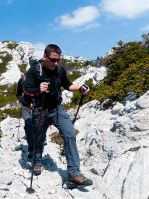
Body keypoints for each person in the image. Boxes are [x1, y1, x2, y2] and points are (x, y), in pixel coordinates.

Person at [24, 44, 93, 187]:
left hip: (57, 108)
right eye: (53, 60)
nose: (56, 63)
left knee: (70, 134)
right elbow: (26, 91)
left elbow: (68, 85)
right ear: (45, 57)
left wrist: (80, 88)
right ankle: (37, 162)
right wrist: (38, 89)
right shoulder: (34, 71)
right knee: (39, 137)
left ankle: (74, 174)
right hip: (40, 109)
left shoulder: (59, 69)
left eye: (58, 60)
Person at [16, 73, 34, 159]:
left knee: (38, 125)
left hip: (37, 106)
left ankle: (39, 143)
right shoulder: (21, 80)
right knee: (28, 126)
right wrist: (25, 103)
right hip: (26, 106)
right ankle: (31, 149)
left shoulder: (38, 78)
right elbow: (18, 94)